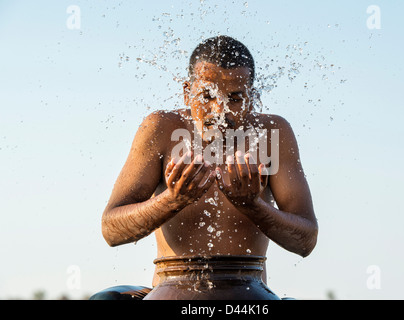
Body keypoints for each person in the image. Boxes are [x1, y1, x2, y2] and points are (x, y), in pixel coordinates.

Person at [90, 35, 318, 300]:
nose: (220, 110)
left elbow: (306, 241)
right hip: (170, 291)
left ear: (252, 97)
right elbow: (111, 230)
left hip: (248, 294)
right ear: (187, 92)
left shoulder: (272, 133)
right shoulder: (161, 128)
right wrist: (173, 200)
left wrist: (252, 205)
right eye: (207, 96)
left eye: (234, 98)